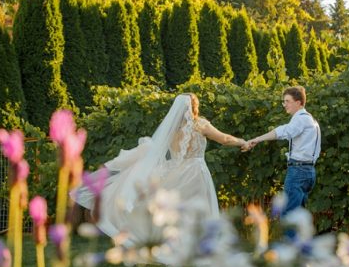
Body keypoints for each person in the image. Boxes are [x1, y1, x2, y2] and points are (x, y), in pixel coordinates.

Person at [72, 93, 247, 244]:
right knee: (199, 208)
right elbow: (224, 139)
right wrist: (243, 142)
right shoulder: (200, 125)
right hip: (196, 172)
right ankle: (200, 243)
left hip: (178, 172)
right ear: (194, 107)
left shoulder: (170, 131)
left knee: (179, 211)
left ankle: (179, 242)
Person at [243, 86, 322, 217]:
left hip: (298, 171)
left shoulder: (301, 118)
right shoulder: (310, 119)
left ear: (298, 102)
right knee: (299, 216)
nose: (284, 105)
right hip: (308, 171)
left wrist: (257, 139)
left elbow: (283, 131)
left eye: (287, 101)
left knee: (289, 216)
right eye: (283, 101)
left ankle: (289, 238)